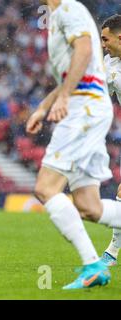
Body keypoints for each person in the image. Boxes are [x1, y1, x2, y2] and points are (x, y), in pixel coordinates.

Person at [26, 0, 121, 289]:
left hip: (84, 110)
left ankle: (93, 264)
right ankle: (95, 267)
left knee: (45, 188)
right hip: (88, 108)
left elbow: (84, 50)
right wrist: (43, 107)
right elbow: (76, 72)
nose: (103, 44)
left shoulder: (69, 10)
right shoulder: (58, 17)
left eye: (108, 39)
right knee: (88, 206)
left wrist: (66, 97)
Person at [100, 14, 121, 266]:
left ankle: (112, 253)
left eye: (106, 39)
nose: (103, 44)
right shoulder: (109, 65)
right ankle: (112, 252)